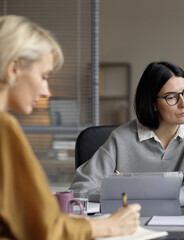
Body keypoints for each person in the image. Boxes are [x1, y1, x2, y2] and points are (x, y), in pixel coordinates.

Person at [0, 15, 140, 239]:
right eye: (44, 76)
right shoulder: (4, 128)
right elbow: (42, 230)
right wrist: (108, 226)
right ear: (14, 68)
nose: (47, 91)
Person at [70, 61, 184, 203]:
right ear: (153, 104)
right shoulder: (121, 138)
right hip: (130, 220)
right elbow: (81, 188)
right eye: (171, 97)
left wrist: (143, 195)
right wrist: (124, 195)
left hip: (179, 221)